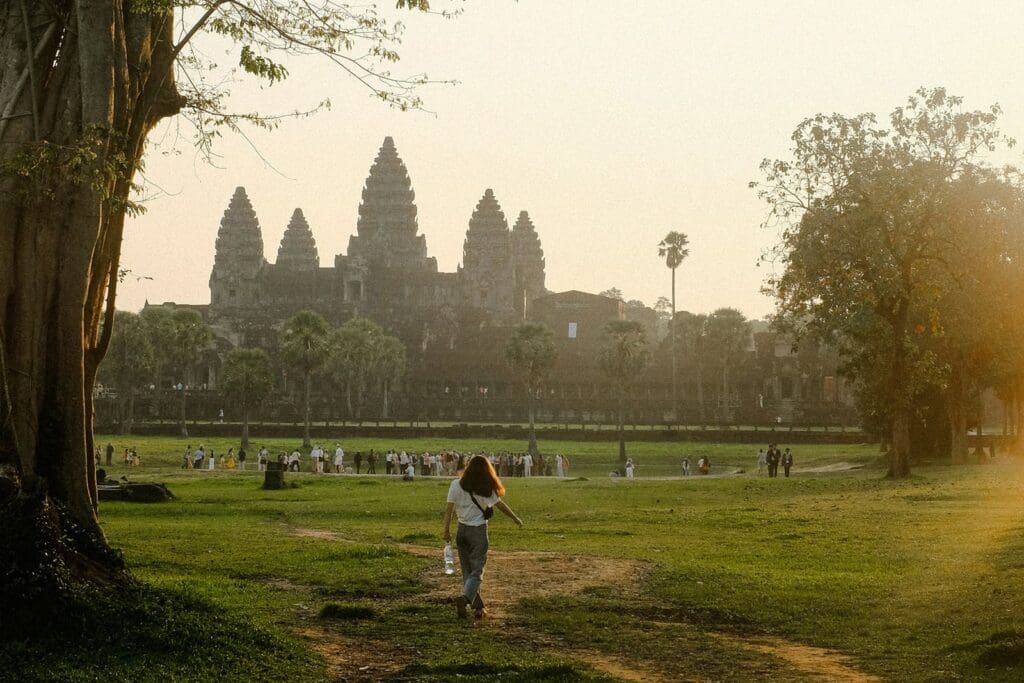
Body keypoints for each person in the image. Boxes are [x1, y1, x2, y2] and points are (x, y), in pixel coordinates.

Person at [442, 455, 523, 619]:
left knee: (467, 571)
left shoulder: (455, 484)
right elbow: (500, 505)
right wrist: (515, 518)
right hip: (478, 531)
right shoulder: (485, 487)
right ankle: (465, 599)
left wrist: (446, 531)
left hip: (461, 530)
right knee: (477, 570)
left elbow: (449, 510)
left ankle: (478, 607)